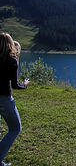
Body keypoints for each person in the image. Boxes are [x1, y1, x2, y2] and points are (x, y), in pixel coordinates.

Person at [0, 33, 29, 166]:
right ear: (10, 44)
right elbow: (15, 85)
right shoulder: (12, 61)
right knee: (15, 129)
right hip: (4, 100)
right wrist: (25, 84)